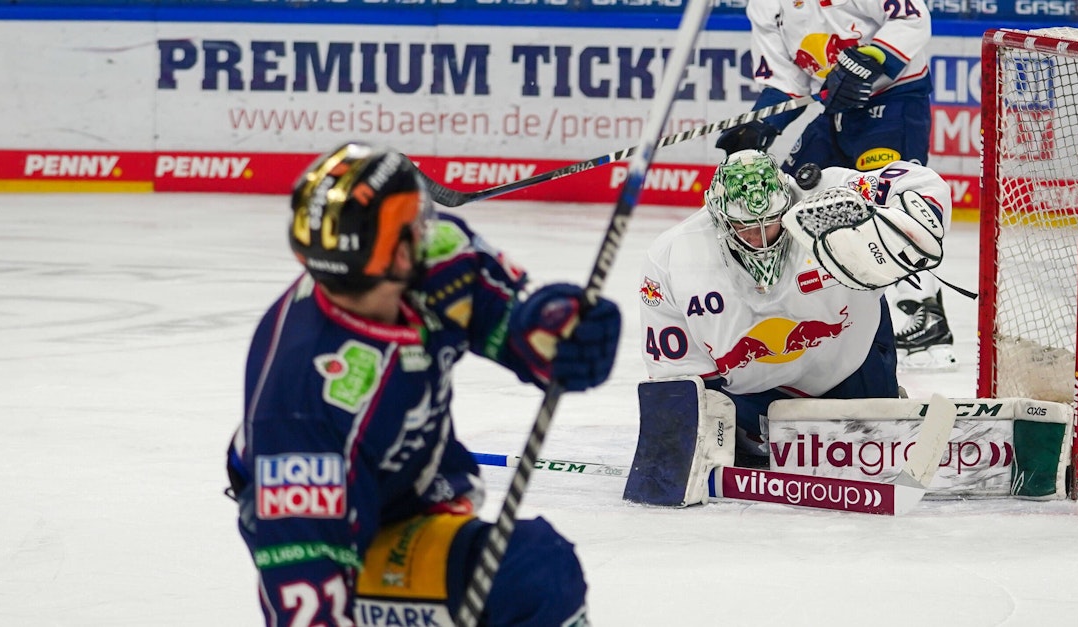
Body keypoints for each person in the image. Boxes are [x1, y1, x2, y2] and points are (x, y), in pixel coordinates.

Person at [227, 142, 618, 625]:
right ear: (392, 252)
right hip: (342, 538)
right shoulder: (301, 395)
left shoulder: (431, 258)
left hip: (418, 495)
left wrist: (559, 330)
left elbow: (513, 323)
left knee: (529, 572)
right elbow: (308, 587)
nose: (427, 225)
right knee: (531, 573)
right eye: (413, 220)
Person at [628, 150, 948, 476]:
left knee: (871, 434)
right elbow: (676, 374)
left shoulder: (827, 198)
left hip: (852, 365)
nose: (760, 238)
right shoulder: (671, 257)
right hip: (752, 398)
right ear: (719, 216)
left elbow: (921, 183)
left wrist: (909, 227)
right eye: (745, 226)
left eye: (771, 222)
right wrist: (678, 453)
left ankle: (884, 405)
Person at [713, 0, 954, 369]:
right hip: (836, 109)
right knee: (793, 194)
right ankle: (794, 309)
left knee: (891, 203)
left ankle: (924, 316)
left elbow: (911, 15)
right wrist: (762, 125)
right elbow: (786, 81)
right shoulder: (764, 6)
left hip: (893, 104)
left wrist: (872, 57)